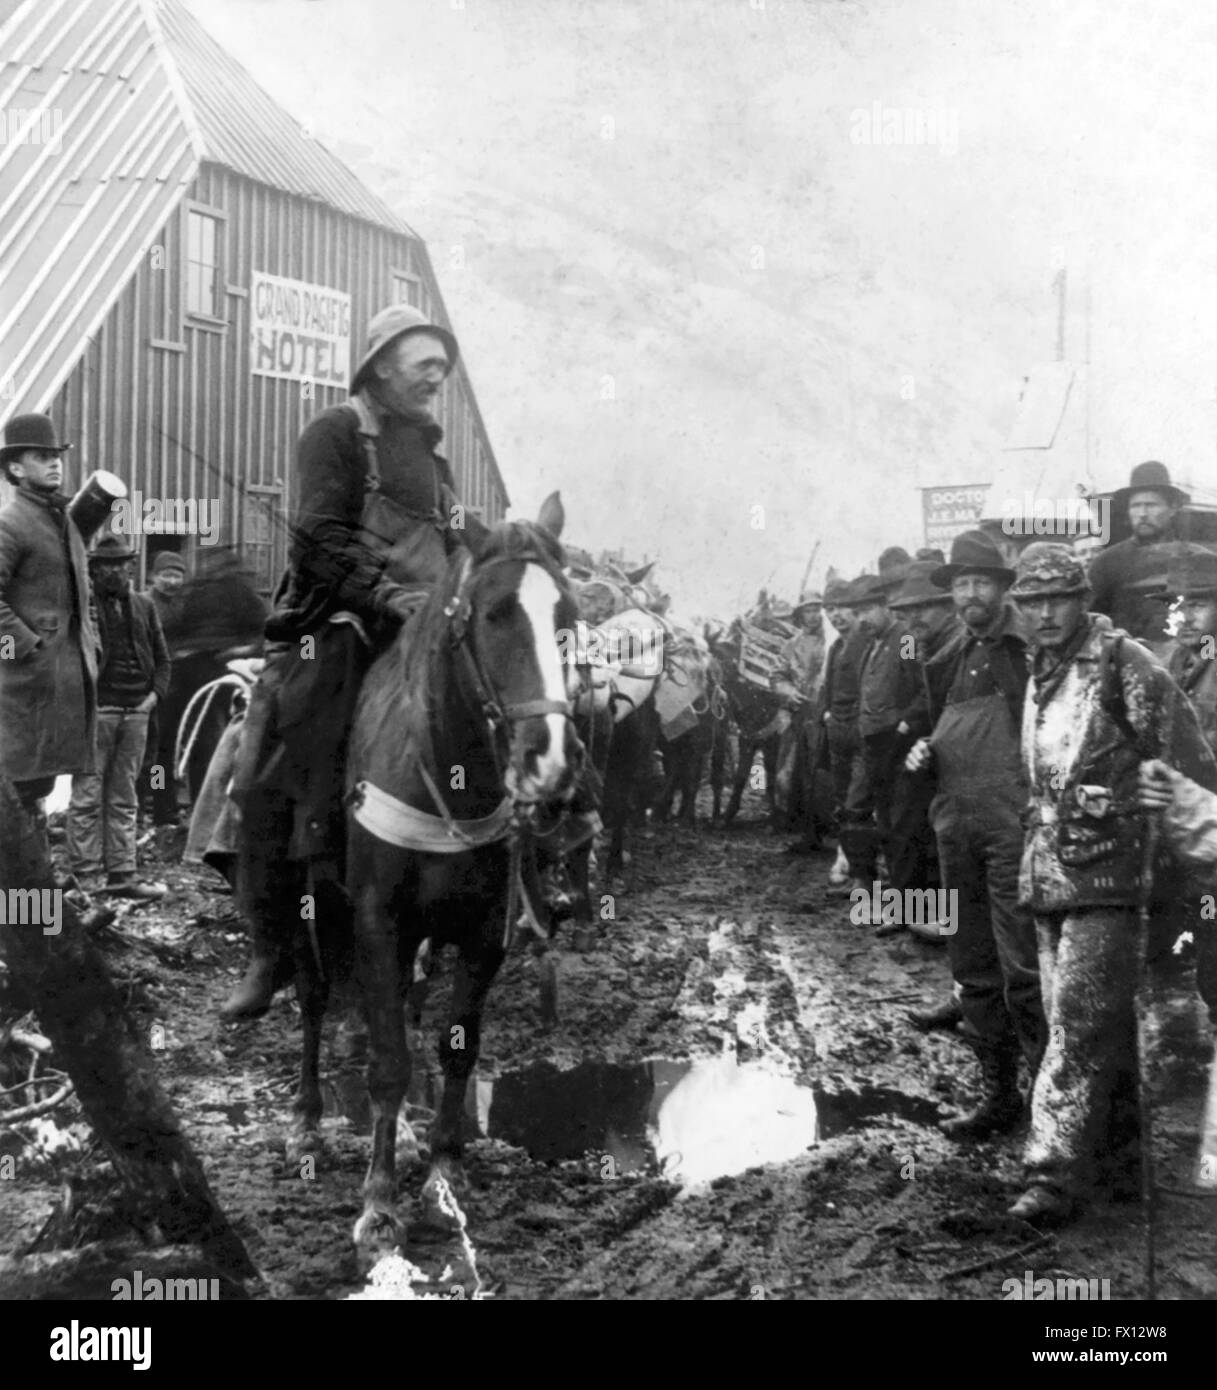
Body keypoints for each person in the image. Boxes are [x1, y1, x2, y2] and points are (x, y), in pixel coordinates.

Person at [221, 305, 469, 1020]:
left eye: (443, 367)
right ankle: (268, 948)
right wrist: (385, 594)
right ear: (380, 365)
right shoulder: (335, 433)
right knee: (270, 762)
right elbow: (319, 540)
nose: (437, 377)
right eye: (425, 363)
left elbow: (458, 535)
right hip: (340, 624)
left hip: (423, 633)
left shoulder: (431, 453)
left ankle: (519, 888)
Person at [1005, 542, 1217, 1226]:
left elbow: (1188, 763)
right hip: (1049, 870)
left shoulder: (1125, 664)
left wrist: (1140, 810)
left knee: (1074, 1026)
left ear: (1082, 599)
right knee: (1094, 1026)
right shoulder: (1041, 666)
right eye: (1030, 601)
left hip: (1111, 874)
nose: (1043, 613)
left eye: (1057, 598)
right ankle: (1118, 1162)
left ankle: (1052, 1175)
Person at [904, 531, 1044, 1130]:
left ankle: (1050, 1103)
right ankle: (999, 1097)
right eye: (960, 584)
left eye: (980, 581)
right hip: (957, 822)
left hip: (1013, 826)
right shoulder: (949, 654)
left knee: (1025, 966)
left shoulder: (1031, 646)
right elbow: (947, 728)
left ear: (1003, 586)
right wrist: (925, 751)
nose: (969, 594)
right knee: (972, 964)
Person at [0, 414, 99, 838]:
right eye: (42, 457)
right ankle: (23, 897)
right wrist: (25, 648)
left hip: (57, 687)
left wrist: (92, 649)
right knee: (17, 793)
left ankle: (37, 895)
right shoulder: (11, 523)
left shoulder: (62, 522)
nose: (55, 464)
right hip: (23, 687)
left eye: (56, 456)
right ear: (16, 468)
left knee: (38, 790)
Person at [66, 536, 170, 899]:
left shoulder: (144, 605)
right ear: (93, 570)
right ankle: (87, 877)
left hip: (136, 715)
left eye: (122, 563)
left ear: (130, 566)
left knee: (125, 796)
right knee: (87, 796)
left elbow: (162, 658)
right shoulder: (82, 607)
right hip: (99, 714)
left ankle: (123, 875)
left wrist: (152, 698)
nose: (116, 570)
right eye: (107, 565)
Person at [837, 571, 920, 920]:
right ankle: (866, 889)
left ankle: (907, 911)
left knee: (902, 829)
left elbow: (922, 688)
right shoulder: (871, 644)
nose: (861, 619)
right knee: (859, 814)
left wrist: (905, 726)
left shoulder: (904, 639)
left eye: (868, 610)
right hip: (871, 744)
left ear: (887, 606)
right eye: (856, 613)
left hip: (898, 745)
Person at [882, 559, 958, 913]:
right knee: (908, 822)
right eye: (907, 611)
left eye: (924, 608)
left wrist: (908, 722)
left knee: (921, 825)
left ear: (948, 605)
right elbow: (910, 679)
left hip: (941, 743)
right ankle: (911, 907)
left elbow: (929, 695)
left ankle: (923, 909)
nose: (914, 618)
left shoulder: (957, 643)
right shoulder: (914, 642)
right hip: (922, 740)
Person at [1087, 460, 1189, 645]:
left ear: (1172, 508)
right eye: (1135, 506)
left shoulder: (1196, 559)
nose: (1142, 513)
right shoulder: (1107, 563)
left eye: (1151, 505)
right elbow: (1089, 622)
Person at [819, 577, 866, 887]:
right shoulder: (835, 646)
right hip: (839, 728)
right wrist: (827, 712)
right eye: (831, 610)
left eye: (843, 608)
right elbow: (829, 686)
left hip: (864, 728)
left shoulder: (868, 641)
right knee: (841, 795)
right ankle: (845, 857)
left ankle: (864, 873)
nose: (837, 616)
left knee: (858, 798)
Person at [141, 551, 189, 827]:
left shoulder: (187, 606)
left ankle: (166, 807)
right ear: (153, 576)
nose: (172, 581)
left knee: (169, 751)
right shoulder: (145, 604)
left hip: (180, 690)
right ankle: (157, 808)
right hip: (153, 689)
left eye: (177, 575)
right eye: (166, 575)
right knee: (157, 752)